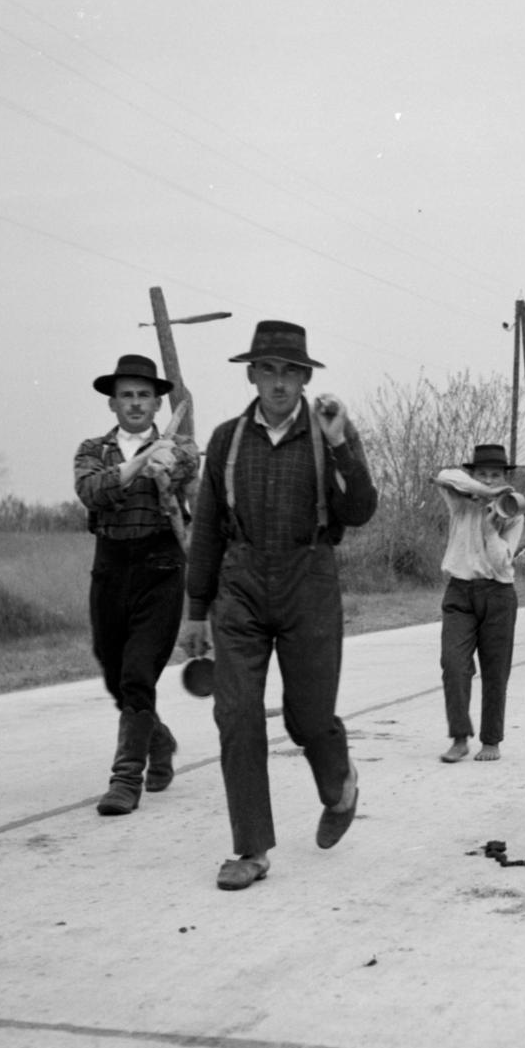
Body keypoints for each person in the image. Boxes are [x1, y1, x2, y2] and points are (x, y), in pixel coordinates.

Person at [178, 320, 378, 891]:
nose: (281, 382)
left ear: (305, 377)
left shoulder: (328, 433)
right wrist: (196, 612)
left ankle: (339, 783)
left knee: (307, 717)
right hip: (240, 586)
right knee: (236, 715)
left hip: (307, 580)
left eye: (292, 371)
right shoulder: (224, 440)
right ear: (252, 374)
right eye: (269, 369)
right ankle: (250, 849)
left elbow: (361, 509)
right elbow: (209, 530)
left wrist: (342, 443)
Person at [74, 353, 201, 817]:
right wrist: (139, 463)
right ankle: (159, 740)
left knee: (137, 673)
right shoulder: (92, 451)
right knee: (113, 674)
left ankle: (126, 779)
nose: (134, 403)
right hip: (109, 569)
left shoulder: (181, 447)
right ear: (112, 403)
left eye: (144, 395)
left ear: (157, 402)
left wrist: (169, 467)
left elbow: (193, 488)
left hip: (161, 568)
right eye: (126, 395)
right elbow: (93, 491)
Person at [434, 443, 525, 763]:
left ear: (506, 477)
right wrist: (482, 492)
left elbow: (503, 564)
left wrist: (490, 530)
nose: (490, 479)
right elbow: (444, 476)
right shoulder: (460, 502)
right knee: (453, 664)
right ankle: (459, 737)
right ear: (474, 474)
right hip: (459, 592)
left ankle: (491, 741)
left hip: (498, 595)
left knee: (495, 670)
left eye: (496, 475)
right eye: (484, 474)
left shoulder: (513, 513)